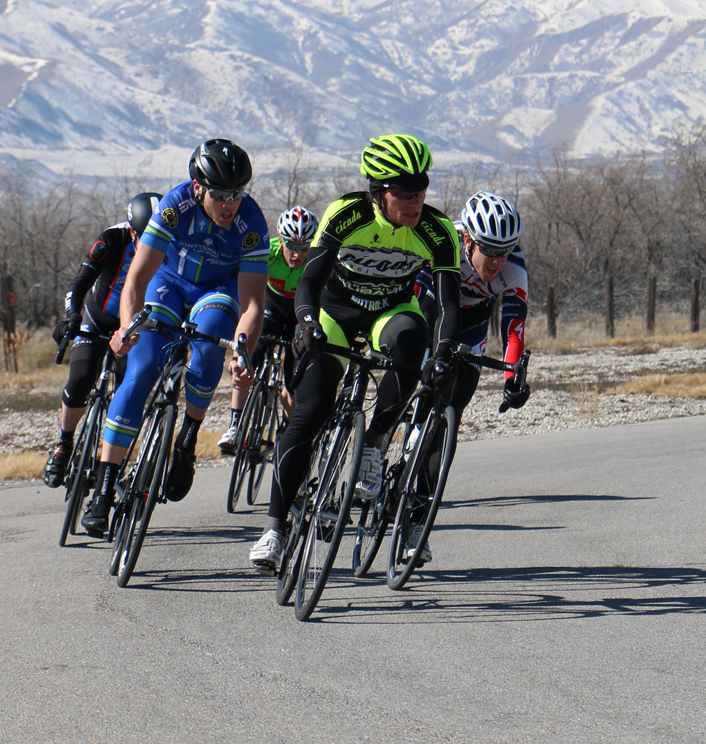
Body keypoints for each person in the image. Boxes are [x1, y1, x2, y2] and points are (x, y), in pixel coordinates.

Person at [249, 134, 461, 574]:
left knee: (411, 340)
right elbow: (308, 281)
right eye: (403, 191)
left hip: (390, 312)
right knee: (310, 411)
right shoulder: (348, 215)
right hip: (335, 313)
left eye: (420, 188)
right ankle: (275, 528)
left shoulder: (437, 232)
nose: (414, 199)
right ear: (378, 191)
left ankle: (376, 441)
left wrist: (442, 354)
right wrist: (306, 323)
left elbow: (449, 304)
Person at [79, 139, 269, 537]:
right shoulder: (174, 206)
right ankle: (104, 486)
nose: (229, 204)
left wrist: (243, 355)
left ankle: (186, 440)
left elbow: (252, 305)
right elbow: (137, 278)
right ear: (199, 188)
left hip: (216, 291)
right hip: (167, 285)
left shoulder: (251, 223)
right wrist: (127, 328)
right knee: (141, 370)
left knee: (208, 351)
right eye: (219, 194)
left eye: (236, 193)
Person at [41, 191, 159, 487]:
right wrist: (71, 316)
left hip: (133, 329)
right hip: (97, 318)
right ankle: (64, 445)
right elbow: (80, 281)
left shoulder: (168, 248)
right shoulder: (112, 238)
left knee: (127, 393)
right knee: (81, 376)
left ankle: (110, 466)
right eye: (142, 237)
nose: (149, 246)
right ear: (132, 230)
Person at [417, 191, 530, 421]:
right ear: (468, 240)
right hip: (433, 303)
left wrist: (512, 380)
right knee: (420, 336)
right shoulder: (447, 243)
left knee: (456, 405)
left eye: (505, 250)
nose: (497, 260)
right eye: (489, 249)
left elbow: (513, 335)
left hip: (474, 319)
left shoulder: (515, 272)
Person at [218, 204, 319, 451]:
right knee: (249, 357)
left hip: (297, 313)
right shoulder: (267, 252)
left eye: (303, 248)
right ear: (281, 241)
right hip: (271, 305)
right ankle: (235, 424)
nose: (297, 254)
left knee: (294, 376)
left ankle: (287, 431)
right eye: (292, 246)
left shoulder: (315, 261)